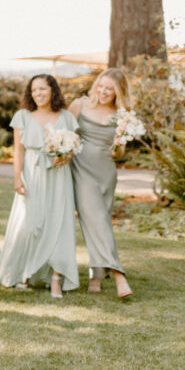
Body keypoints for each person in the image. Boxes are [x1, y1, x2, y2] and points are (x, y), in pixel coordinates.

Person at [0, 74, 80, 297]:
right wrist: (17, 177)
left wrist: (65, 157)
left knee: (58, 223)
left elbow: (73, 147)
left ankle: (55, 277)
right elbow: (18, 150)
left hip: (58, 176)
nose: (38, 94)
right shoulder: (23, 116)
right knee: (31, 224)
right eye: (34, 90)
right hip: (32, 173)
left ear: (53, 90)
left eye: (43, 89)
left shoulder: (67, 117)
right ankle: (25, 271)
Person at [69, 68, 133, 298]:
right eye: (102, 86)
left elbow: (118, 154)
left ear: (118, 92)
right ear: (96, 85)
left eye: (110, 89)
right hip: (81, 170)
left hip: (106, 172)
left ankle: (96, 275)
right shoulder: (80, 105)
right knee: (96, 219)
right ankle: (118, 276)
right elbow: (63, 134)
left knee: (100, 221)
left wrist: (117, 144)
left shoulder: (122, 114)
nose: (104, 92)